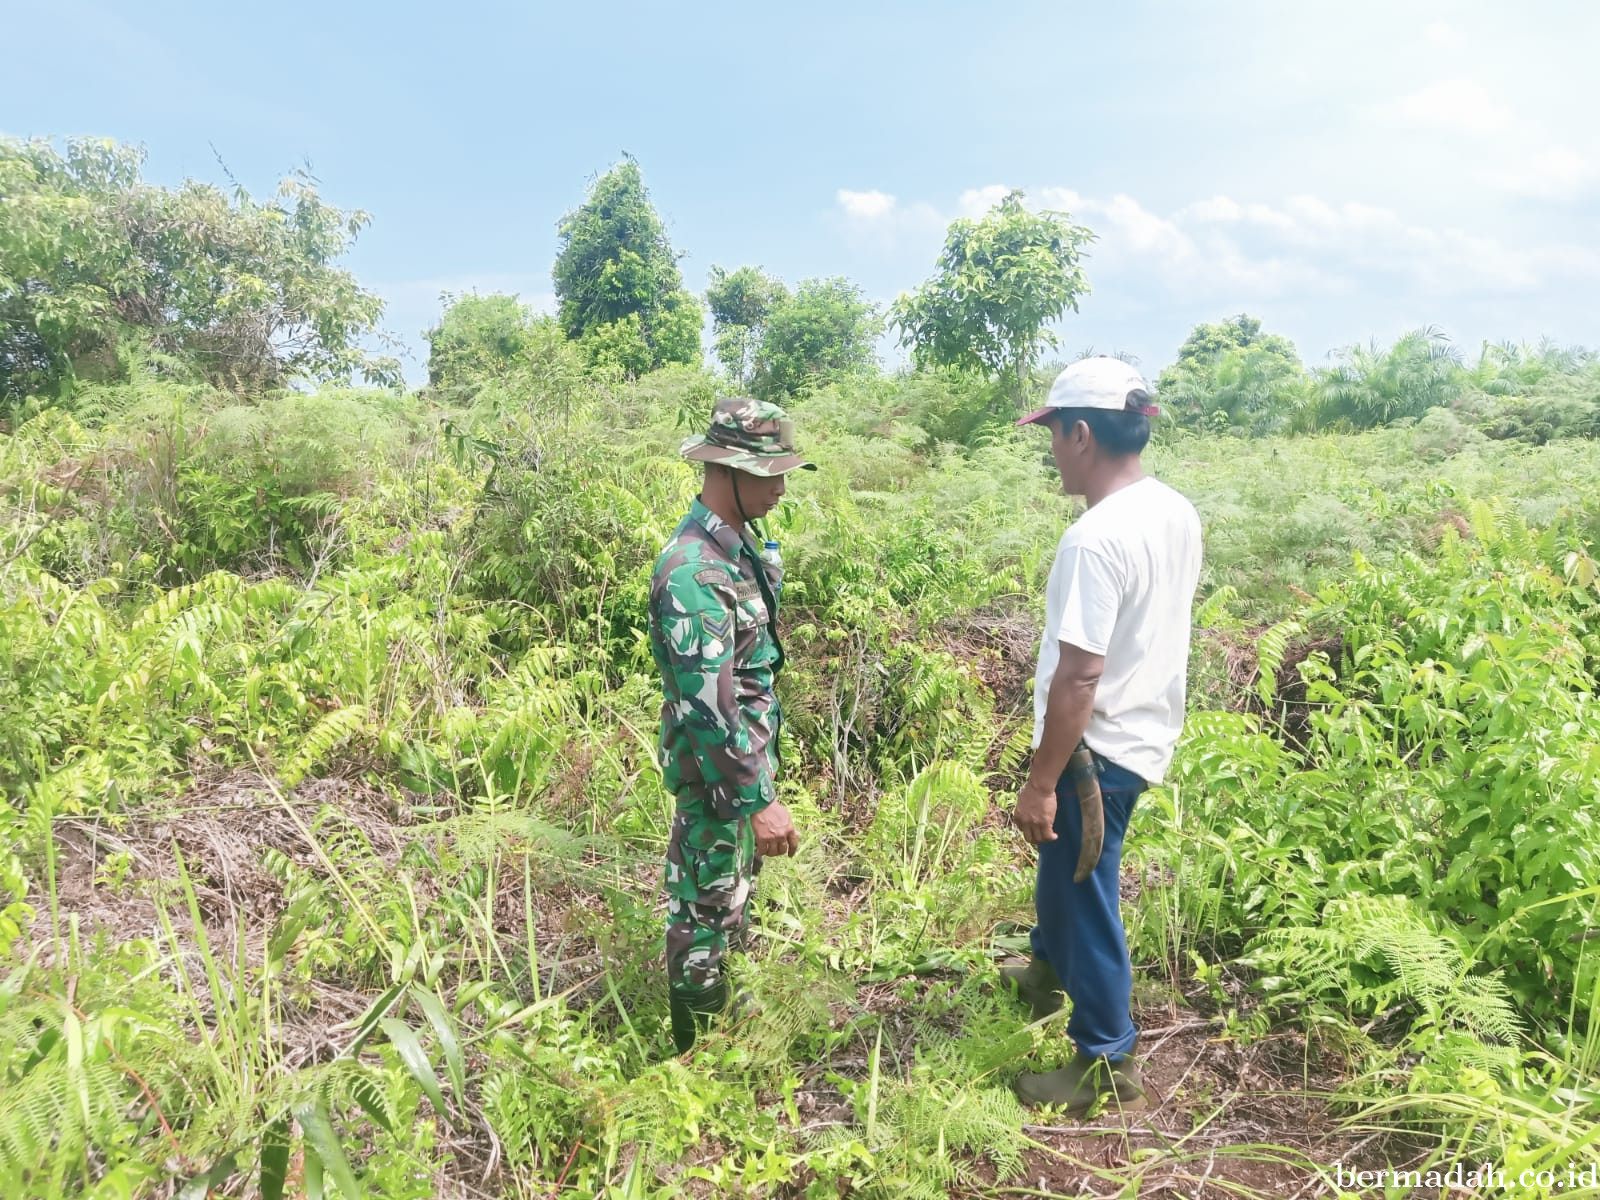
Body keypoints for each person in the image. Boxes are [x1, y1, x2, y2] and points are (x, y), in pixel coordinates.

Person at [1005, 356, 1203, 1113]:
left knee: (1084, 893)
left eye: (1054, 433)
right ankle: (1045, 973)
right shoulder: (1173, 510)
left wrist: (1041, 781)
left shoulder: (1094, 539)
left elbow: (1081, 676)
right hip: (1142, 730)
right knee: (1064, 873)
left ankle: (1106, 1061)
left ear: (1082, 434)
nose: (1052, 449)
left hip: (1096, 752)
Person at [648, 396, 815, 1054]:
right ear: (724, 471)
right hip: (718, 780)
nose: (779, 489)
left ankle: (723, 1045)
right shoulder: (695, 571)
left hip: (740, 774)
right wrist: (758, 799)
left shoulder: (736, 551)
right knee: (703, 918)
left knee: (729, 904)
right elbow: (710, 709)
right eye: (767, 475)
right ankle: (694, 1069)